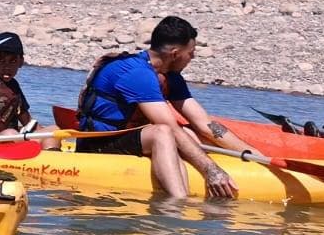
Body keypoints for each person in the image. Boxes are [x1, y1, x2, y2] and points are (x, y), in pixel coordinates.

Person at [72, 15, 257, 199]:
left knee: (192, 134)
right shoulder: (137, 73)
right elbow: (169, 128)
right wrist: (211, 170)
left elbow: (205, 124)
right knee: (162, 132)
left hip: (129, 138)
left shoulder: (170, 76)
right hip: (97, 144)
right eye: (190, 53)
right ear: (175, 53)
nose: (192, 57)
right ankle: (177, 205)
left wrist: (254, 155)